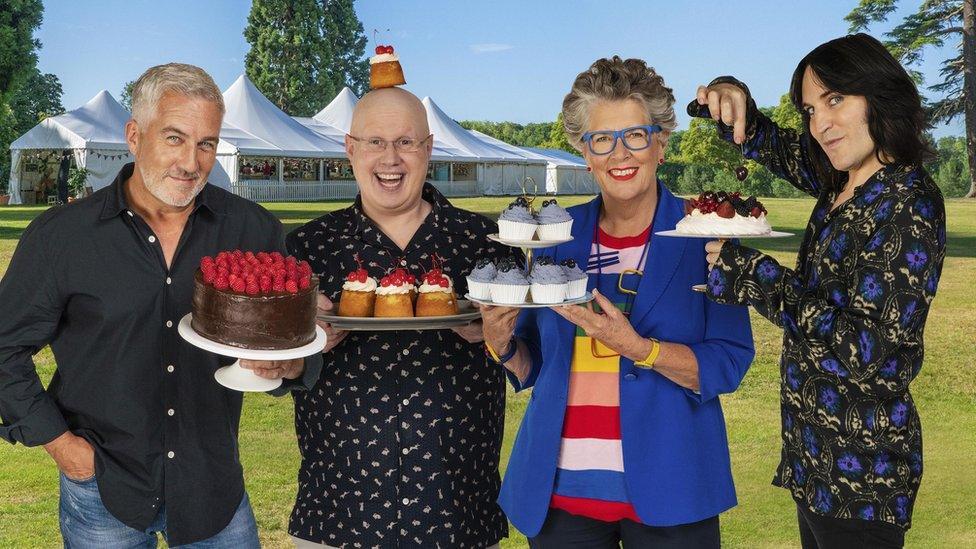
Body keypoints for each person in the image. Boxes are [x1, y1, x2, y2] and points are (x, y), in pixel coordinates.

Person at [0, 63, 321, 547]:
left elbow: (287, 343)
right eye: (174, 138)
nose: (191, 162)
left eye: (207, 143)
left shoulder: (254, 230)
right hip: (103, 489)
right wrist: (63, 447)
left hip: (214, 487)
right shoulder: (62, 237)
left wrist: (291, 364)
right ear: (134, 135)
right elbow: (4, 348)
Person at [481, 56, 756, 548]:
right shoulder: (555, 238)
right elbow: (533, 366)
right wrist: (500, 344)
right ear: (585, 153)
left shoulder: (708, 234)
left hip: (674, 493)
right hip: (561, 498)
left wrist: (641, 349)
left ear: (661, 143)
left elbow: (730, 361)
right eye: (601, 139)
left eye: (635, 135)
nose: (619, 153)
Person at [696, 33, 946, 549]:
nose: (820, 124)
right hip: (814, 464)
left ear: (880, 94)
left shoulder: (908, 203)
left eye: (835, 100)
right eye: (811, 109)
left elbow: (869, 350)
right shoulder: (842, 179)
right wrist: (729, 94)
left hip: (863, 481)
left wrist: (754, 276)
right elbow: (761, 137)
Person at [285, 87, 512, 548]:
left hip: (459, 513)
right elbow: (273, 372)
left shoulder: (487, 242)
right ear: (350, 149)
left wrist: (497, 336)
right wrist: (302, 344)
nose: (391, 158)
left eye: (406, 142)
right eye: (375, 142)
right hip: (337, 513)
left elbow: (532, 356)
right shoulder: (306, 248)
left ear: (428, 149)